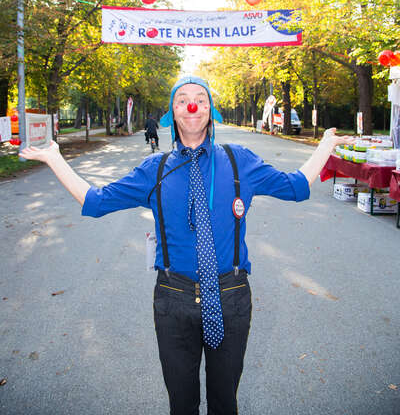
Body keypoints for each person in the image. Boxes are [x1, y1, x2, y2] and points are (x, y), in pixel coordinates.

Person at [19, 75, 352, 415]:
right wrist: (55, 159)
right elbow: (97, 201)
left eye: (200, 99)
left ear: (211, 111)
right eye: (182, 100)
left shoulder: (240, 161)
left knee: (225, 402)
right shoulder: (154, 169)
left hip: (231, 296)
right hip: (173, 301)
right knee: (181, 404)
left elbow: (295, 187)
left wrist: (325, 146)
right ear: (172, 114)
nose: (192, 105)